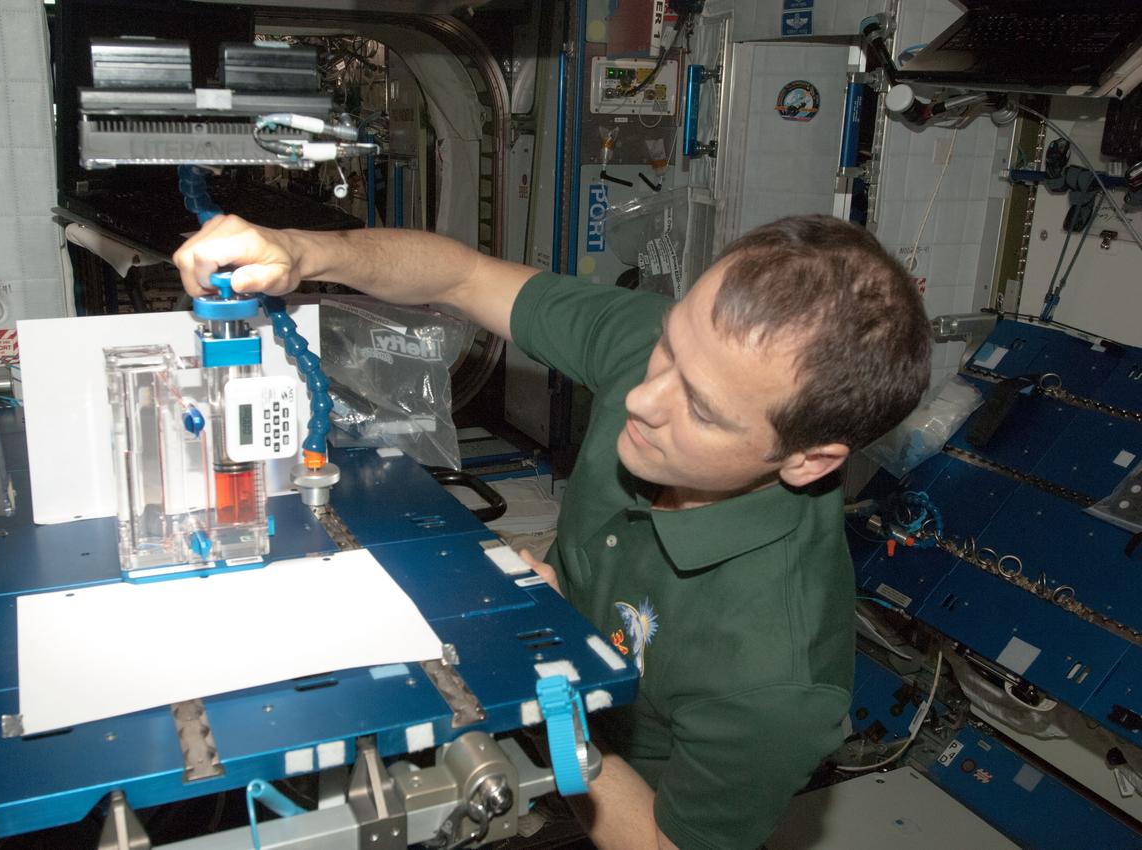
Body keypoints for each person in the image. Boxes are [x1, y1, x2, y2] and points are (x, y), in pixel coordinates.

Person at [174, 214, 932, 850]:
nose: (642, 397)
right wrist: (303, 250)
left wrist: (544, 687)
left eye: (701, 411)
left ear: (808, 460)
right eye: (668, 343)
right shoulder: (700, 357)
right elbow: (461, 276)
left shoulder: (777, 677)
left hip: (611, 798)